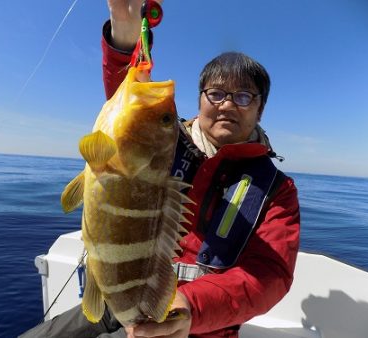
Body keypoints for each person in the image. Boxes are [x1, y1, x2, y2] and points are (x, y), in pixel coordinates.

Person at [19, 1, 300, 337]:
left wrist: (191, 306)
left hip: (195, 322)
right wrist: (124, 25)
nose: (226, 104)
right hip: (118, 297)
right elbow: (127, 97)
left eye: (243, 96)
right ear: (199, 100)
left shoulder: (276, 190)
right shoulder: (164, 142)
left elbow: (271, 275)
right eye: (216, 93)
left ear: (260, 109)